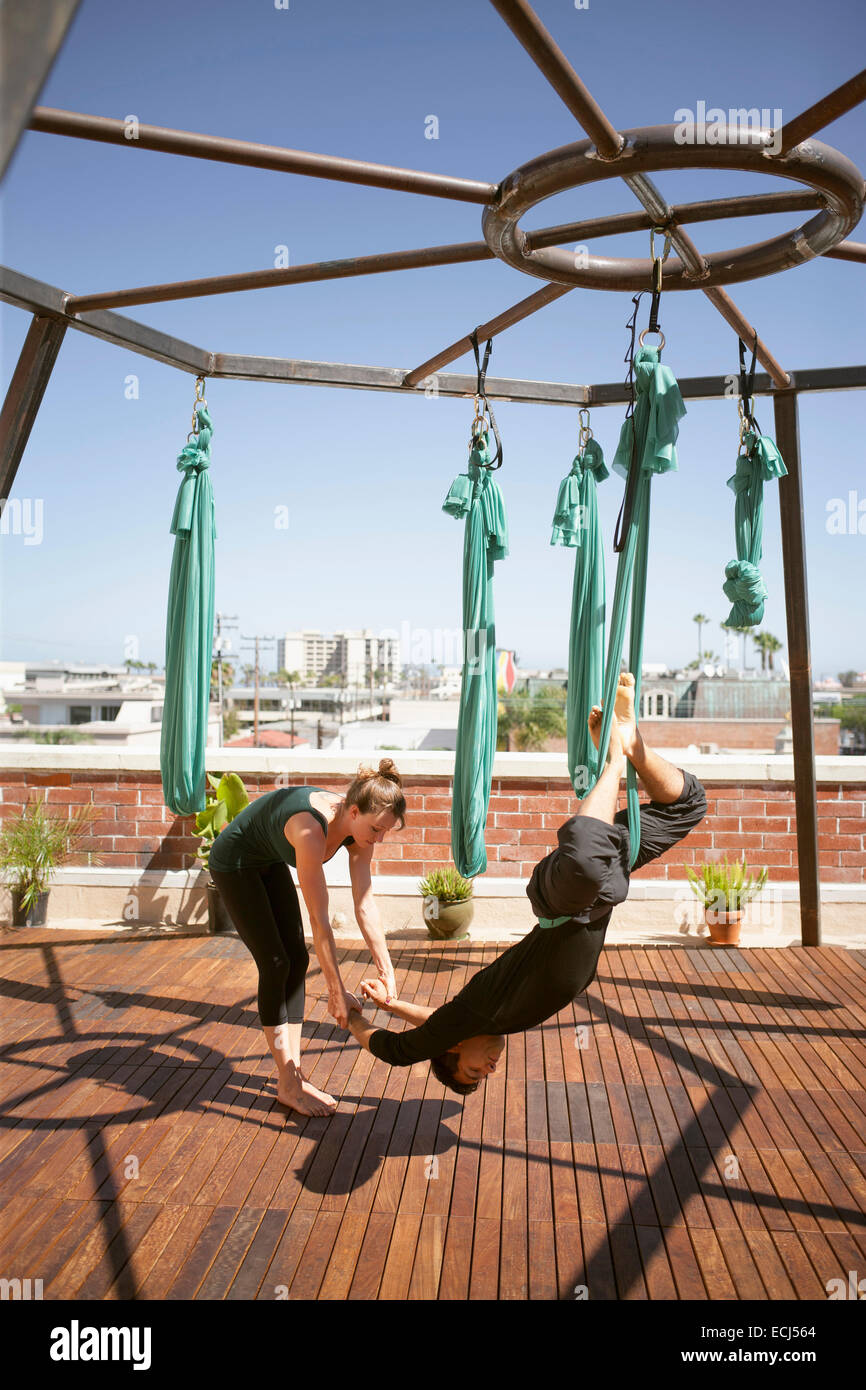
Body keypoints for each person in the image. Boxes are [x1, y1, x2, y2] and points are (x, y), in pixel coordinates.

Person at [344, 674, 706, 1094]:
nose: (491, 1069)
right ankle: (632, 744)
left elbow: (397, 1050)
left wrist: (351, 1015)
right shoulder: (475, 1019)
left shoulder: (476, 1016)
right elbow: (437, 1022)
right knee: (688, 805)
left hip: (561, 898)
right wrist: (390, 1005)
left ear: (454, 1048)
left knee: (585, 861)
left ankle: (616, 759)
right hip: (600, 894)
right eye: (484, 1076)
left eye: (475, 1071)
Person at [209, 758, 405, 1115]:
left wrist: (387, 972)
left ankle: (294, 1077)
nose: (377, 838)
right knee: (276, 962)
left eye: (385, 832)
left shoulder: (361, 827)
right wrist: (335, 991)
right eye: (376, 829)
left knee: (297, 959)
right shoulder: (309, 830)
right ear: (355, 811)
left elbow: (365, 905)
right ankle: (288, 1083)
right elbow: (319, 919)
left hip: (266, 856)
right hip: (235, 861)